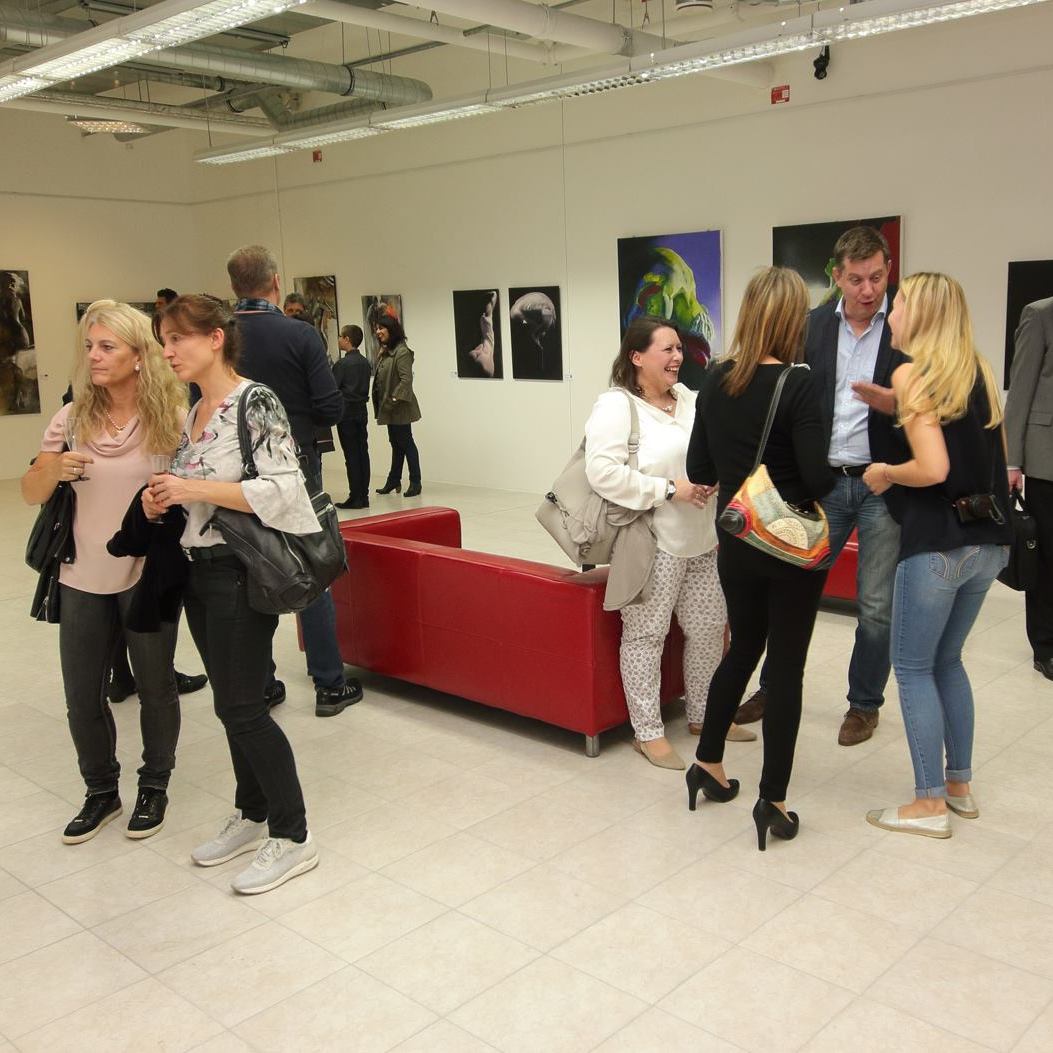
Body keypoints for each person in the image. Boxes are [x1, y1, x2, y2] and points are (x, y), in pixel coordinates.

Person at [147, 294, 319, 893]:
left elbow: (283, 490)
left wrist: (191, 487)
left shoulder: (255, 402)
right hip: (198, 570)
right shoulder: (194, 411)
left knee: (244, 708)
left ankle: (293, 836)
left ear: (216, 337)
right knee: (229, 702)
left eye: (178, 338)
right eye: (164, 341)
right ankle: (252, 813)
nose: (168, 351)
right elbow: (196, 489)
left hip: (241, 569)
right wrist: (163, 495)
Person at [20, 300, 187, 843]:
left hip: (147, 573)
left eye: (107, 346)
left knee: (157, 687)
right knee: (81, 695)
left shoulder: (171, 418)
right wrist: (52, 468)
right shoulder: (71, 419)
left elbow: (193, 494)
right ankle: (100, 791)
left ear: (139, 356)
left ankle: (154, 785)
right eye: (89, 346)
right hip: (81, 576)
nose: (93, 355)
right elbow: (30, 493)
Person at [736, 226, 907, 747]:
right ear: (836, 276)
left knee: (875, 606)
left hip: (882, 484)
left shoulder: (906, 327)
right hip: (822, 482)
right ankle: (773, 687)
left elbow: (929, 402)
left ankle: (864, 704)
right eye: (856, 279)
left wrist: (897, 408)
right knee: (792, 591)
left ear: (888, 270)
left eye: (876, 277)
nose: (867, 290)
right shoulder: (810, 328)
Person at [686, 267, 835, 850]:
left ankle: (708, 763)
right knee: (787, 667)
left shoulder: (715, 378)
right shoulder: (800, 384)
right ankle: (772, 801)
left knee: (743, 646)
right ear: (794, 319)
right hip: (788, 545)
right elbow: (817, 478)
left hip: (735, 539)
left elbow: (699, 469)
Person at [862, 274, 1013, 838]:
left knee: (913, 668)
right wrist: (896, 405)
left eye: (899, 302)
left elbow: (933, 467)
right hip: (985, 545)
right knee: (948, 661)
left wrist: (883, 472)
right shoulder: (977, 372)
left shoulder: (913, 373)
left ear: (920, 314)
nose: (891, 312)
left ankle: (927, 805)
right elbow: (986, 453)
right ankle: (958, 788)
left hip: (935, 547)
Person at [585, 317, 747, 770]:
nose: (678, 357)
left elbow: (715, 449)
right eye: (668, 350)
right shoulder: (617, 406)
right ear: (637, 357)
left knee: (709, 630)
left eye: (679, 348)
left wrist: (716, 476)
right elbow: (602, 473)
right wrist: (671, 489)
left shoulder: (691, 399)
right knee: (646, 636)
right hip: (651, 541)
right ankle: (648, 733)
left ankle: (704, 716)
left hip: (702, 539)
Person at [225, 246, 361, 718]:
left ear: (233, 285)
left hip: (234, 470)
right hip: (296, 462)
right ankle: (329, 684)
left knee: (250, 564)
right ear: (276, 282)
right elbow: (329, 407)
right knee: (311, 565)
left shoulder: (220, 338)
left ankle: (262, 685)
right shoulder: (299, 334)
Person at [1004, 297, 1053, 682]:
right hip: (1045, 461)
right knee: (1047, 559)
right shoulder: (1040, 315)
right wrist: (1011, 461)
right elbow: (1019, 391)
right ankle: (1046, 646)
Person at [372, 314, 422, 498]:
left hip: (400, 407)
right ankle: (394, 479)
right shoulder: (387, 351)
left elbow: (406, 380)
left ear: (391, 330)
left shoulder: (402, 352)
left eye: (381, 328)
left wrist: (393, 400)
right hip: (390, 407)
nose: (378, 332)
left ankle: (415, 481)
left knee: (406, 443)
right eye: (377, 329)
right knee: (396, 443)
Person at [333, 324, 371, 509]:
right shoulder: (365, 362)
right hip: (361, 411)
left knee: (351, 455)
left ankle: (355, 496)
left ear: (347, 339)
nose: (339, 339)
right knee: (363, 452)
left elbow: (333, 388)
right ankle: (364, 495)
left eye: (341, 336)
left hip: (346, 413)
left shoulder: (342, 364)